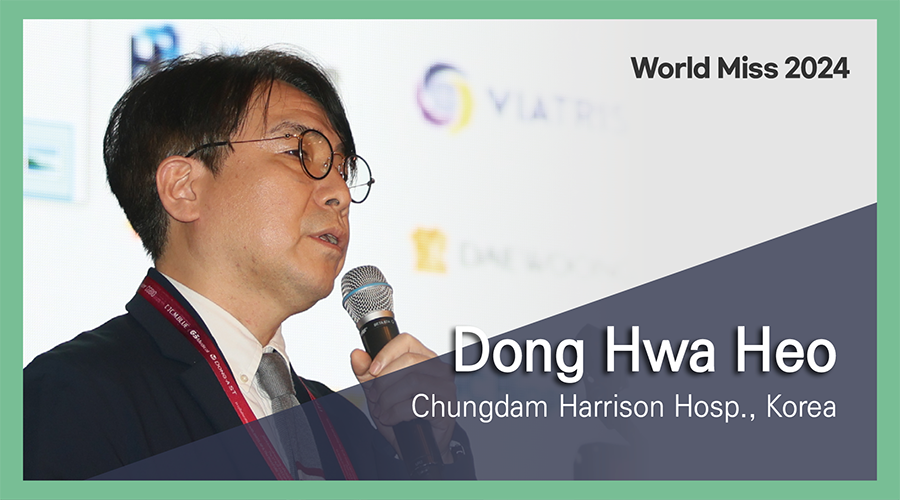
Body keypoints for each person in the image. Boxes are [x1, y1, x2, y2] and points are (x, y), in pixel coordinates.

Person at [23, 49, 472, 480]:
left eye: (342, 169)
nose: (339, 193)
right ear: (184, 188)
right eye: (299, 154)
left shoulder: (352, 433)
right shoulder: (73, 397)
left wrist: (432, 457)